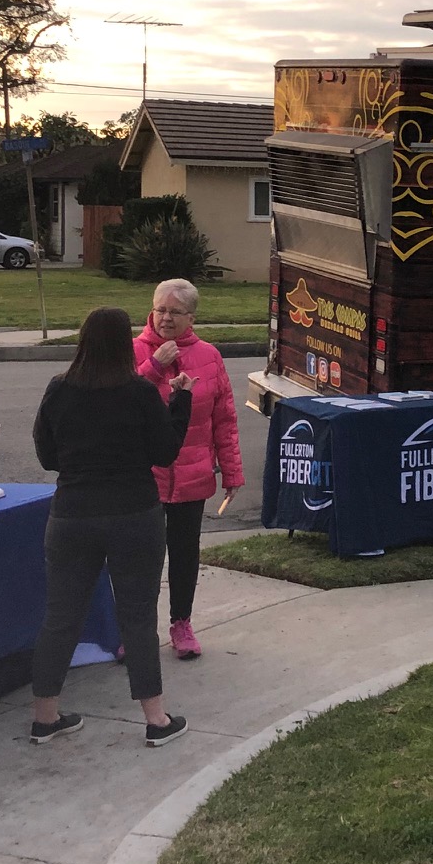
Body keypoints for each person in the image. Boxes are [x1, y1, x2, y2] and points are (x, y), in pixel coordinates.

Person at [29, 305, 194, 747]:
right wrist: (181, 402)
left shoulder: (59, 389)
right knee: (138, 617)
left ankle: (45, 717)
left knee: (61, 617)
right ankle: (156, 720)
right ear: (125, 344)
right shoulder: (138, 392)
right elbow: (164, 452)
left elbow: (47, 457)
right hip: (133, 513)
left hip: (72, 514)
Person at [135, 278, 244, 660]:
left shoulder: (210, 356)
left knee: (184, 554)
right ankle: (135, 630)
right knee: (141, 557)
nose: (164, 318)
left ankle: (182, 623)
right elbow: (119, 402)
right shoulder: (133, 351)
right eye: (159, 309)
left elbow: (224, 419)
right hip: (144, 477)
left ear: (191, 317)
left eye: (174, 312)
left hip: (193, 474)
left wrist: (231, 473)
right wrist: (153, 365)